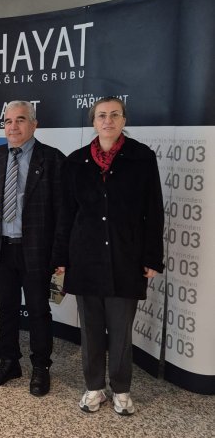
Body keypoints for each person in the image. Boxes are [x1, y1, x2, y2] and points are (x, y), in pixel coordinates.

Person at [61, 96, 164, 416]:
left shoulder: (142, 158)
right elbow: (66, 215)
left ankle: (121, 389)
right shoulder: (76, 161)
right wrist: (61, 258)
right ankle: (94, 387)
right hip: (85, 259)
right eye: (102, 115)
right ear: (93, 122)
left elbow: (154, 211)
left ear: (123, 120)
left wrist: (152, 258)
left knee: (120, 332)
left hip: (126, 258)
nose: (108, 120)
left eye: (114, 115)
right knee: (91, 330)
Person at [0, 100, 66, 396]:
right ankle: (9, 361)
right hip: (0, 248)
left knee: (38, 310)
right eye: (8, 121)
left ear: (34, 124)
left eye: (21, 120)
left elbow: (63, 211)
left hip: (37, 249)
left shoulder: (52, 159)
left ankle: (41, 367)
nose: (13, 126)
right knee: (7, 308)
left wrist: (60, 253)